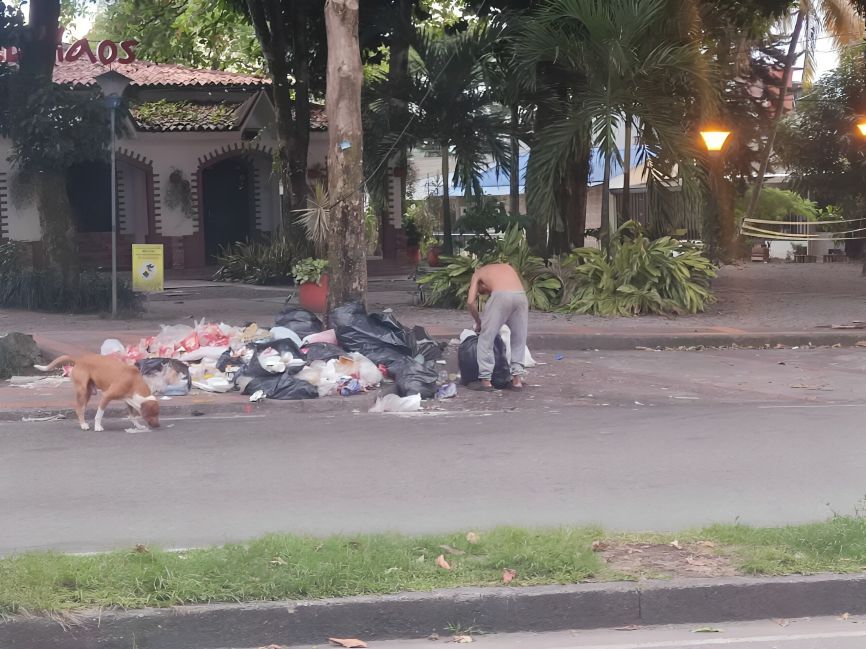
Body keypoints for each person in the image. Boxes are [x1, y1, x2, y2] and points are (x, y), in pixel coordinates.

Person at [466, 262, 529, 390]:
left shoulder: (478, 273)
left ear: (480, 284)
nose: (485, 293)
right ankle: (517, 380)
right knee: (519, 338)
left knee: (485, 338)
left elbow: (470, 302)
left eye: (482, 292)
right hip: (521, 296)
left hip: (501, 296)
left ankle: (486, 381)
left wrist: (479, 322)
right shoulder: (507, 267)